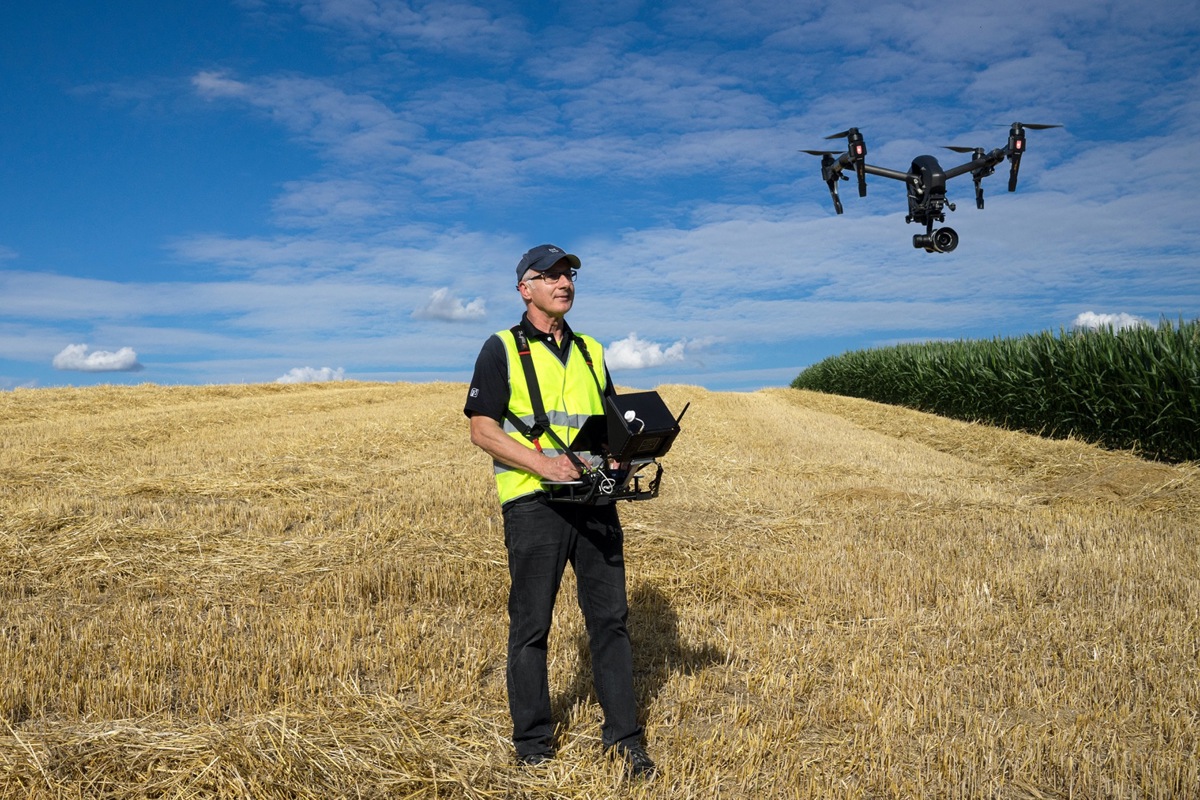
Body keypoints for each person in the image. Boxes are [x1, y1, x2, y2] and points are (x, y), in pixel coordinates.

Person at [464, 244, 655, 779]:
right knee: (531, 625)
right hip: (534, 503)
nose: (563, 281)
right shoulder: (500, 348)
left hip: (594, 500)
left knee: (611, 622)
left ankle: (625, 739)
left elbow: (614, 423)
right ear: (525, 288)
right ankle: (533, 747)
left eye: (568, 273)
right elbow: (482, 429)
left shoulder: (592, 349)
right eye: (549, 275)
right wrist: (541, 465)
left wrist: (625, 455)